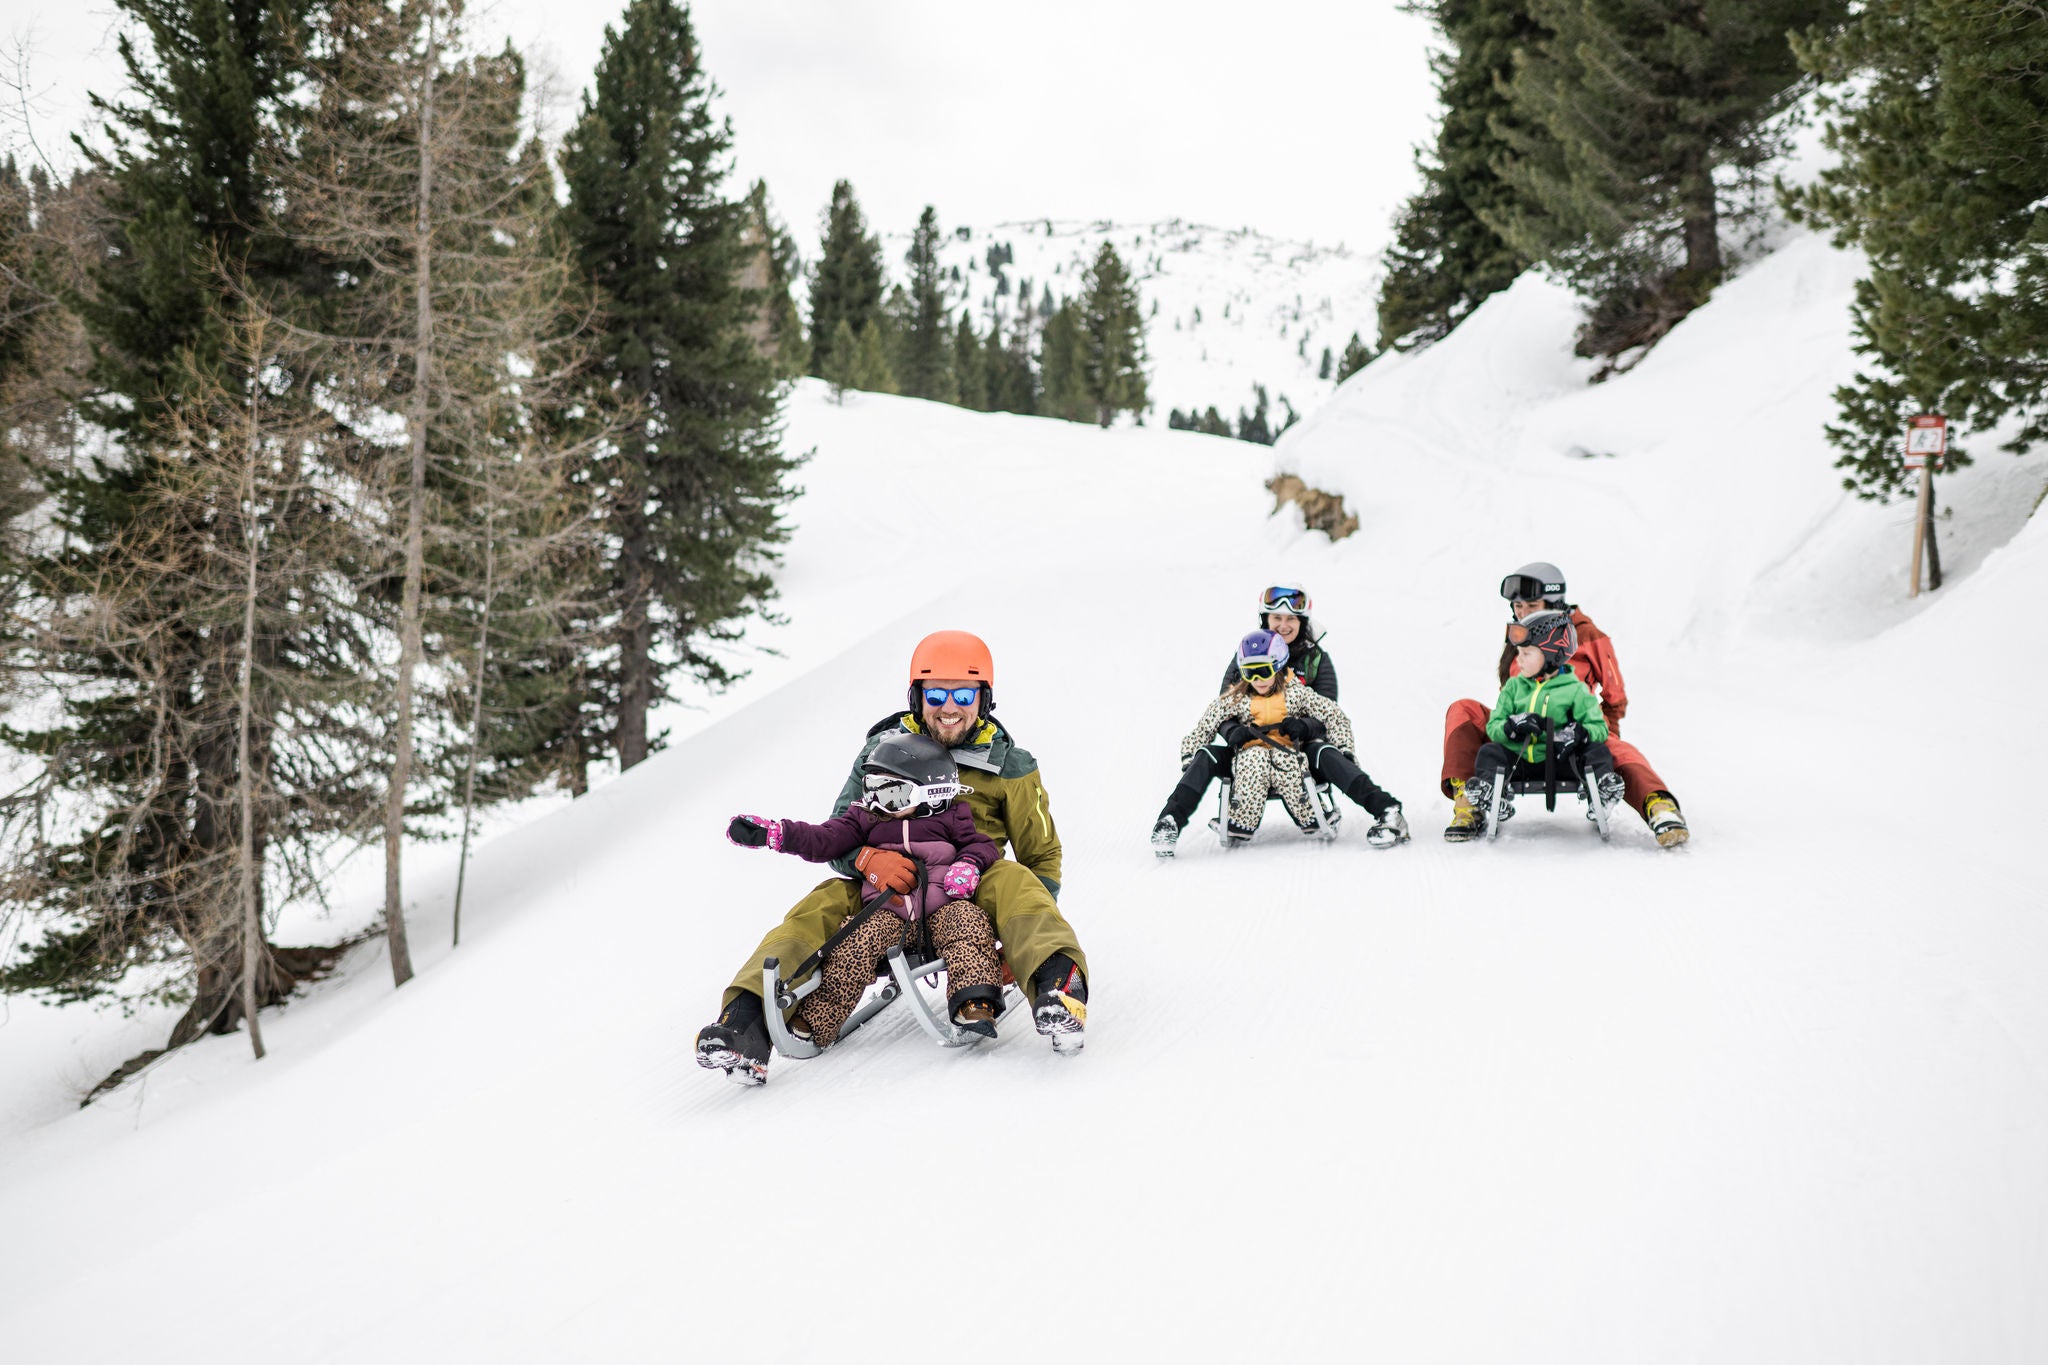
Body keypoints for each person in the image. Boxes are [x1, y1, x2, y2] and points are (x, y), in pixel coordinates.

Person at [696, 631, 1088, 1086]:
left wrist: (1013, 948)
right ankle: (744, 1020)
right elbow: (836, 830)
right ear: (916, 697)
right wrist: (864, 859)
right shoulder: (881, 753)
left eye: (964, 694)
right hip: (881, 891)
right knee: (821, 903)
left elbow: (1041, 856)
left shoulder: (1010, 766)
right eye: (936, 693)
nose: (949, 706)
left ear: (984, 699)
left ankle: (1058, 983)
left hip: (967, 887)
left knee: (1016, 879)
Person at [723, 732, 1006, 1047]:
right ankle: (815, 1020)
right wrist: (777, 835)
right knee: (852, 945)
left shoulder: (953, 818)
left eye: (893, 794)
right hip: (887, 914)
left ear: (932, 795)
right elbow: (825, 839)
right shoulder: (866, 818)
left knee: (969, 924)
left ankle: (975, 1000)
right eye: (873, 790)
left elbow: (981, 844)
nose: (878, 803)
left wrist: (968, 864)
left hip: (944, 907)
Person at [1440, 562, 1690, 846]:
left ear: (1554, 601)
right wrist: (1509, 724)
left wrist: (1600, 744)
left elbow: (1614, 697)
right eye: (1517, 606)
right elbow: (1508, 693)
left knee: (1615, 747)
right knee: (1464, 708)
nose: (1522, 613)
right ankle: (1469, 803)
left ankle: (1659, 807)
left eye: (1531, 605)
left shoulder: (1587, 635)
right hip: (1520, 740)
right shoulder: (1519, 634)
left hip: (1573, 738)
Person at [1152, 628, 1406, 851]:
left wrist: (1343, 749)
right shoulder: (1235, 697)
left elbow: (1334, 715)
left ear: (1279, 664)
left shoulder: (1297, 693)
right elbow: (1205, 725)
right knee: (1206, 754)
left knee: (1325, 753)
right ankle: (1169, 821)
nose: (1257, 680)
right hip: (1247, 758)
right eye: (1249, 673)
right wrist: (1206, 746)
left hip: (1293, 754)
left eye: (1263, 671)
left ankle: (1387, 811)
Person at [1463, 609, 1626, 830]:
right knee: (1490, 752)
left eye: (1526, 654)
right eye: (1518, 653)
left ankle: (1602, 792)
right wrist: (1511, 727)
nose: (1518, 660)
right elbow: (1494, 726)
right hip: (1520, 762)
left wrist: (1579, 733)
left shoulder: (1574, 690)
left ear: (1552, 654)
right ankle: (1491, 795)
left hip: (1564, 761)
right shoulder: (1514, 687)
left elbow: (1599, 728)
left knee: (1597, 751)